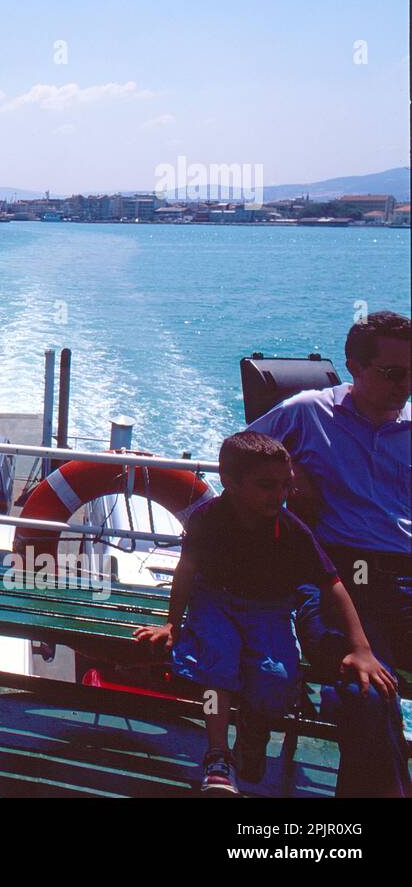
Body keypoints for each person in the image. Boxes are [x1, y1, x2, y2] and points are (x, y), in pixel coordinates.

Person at [133, 431, 394, 795]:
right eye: (267, 485)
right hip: (215, 601)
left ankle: (254, 733)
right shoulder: (207, 520)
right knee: (217, 664)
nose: (280, 495)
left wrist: (361, 649)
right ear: (230, 482)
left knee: (275, 678)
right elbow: (187, 571)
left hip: (268, 609)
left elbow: (333, 584)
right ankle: (217, 753)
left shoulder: (289, 530)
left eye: (286, 485)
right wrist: (172, 624)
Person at [246, 309, 411, 797]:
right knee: (366, 690)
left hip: (405, 579)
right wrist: (290, 471)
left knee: (368, 693)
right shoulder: (308, 412)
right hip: (336, 576)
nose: (405, 385)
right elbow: (238, 454)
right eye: (393, 373)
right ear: (354, 366)